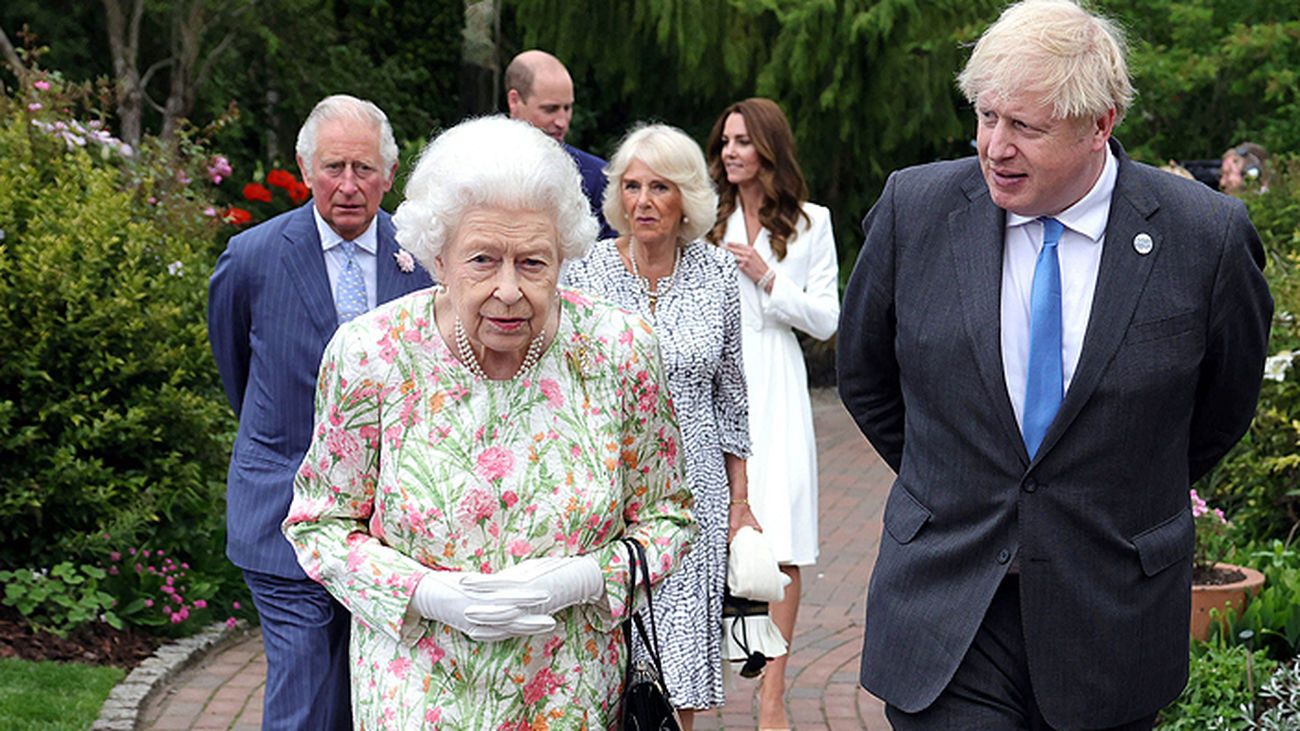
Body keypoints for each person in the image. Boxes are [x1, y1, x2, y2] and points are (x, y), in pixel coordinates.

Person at [836, 1, 1273, 728]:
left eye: (1026, 127)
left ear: (1101, 123)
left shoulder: (1205, 238)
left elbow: (1222, 407)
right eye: (986, 116)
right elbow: (866, 376)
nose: (995, 146)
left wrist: (1113, 486)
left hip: (1111, 615)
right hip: (949, 607)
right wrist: (954, 474)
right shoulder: (914, 210)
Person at [281, 116, 696, 728]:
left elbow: (668, 516)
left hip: (570, 695)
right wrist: (425, 593)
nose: (509, 290)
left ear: (564, 258)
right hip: (418, 694)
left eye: (533, 262)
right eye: (482, 259)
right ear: (438, 257)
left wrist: (584, 578)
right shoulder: (372, 354)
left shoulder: (620, 350)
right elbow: (319, 525)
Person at [207, 94, 434, 730]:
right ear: (307, 170)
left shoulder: (424, 260)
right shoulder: (252, 257)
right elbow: (238, 371)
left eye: (365, 169)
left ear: (390, 176)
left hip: (392, 523)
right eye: (334, 167)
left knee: (370, 698)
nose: (349, 185)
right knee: (305, 690)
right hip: (281, 508)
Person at [565, 123, 757, 729]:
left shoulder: (720, 275)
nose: (642, 201)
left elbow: (733, 398)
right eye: (631, 186)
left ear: (688, 199)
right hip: (607, 488)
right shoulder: (585, 271)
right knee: (604, 658)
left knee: (675, 671)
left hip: (695, 491)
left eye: (659, 188)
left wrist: (742, 504)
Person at [704, 97, 840, 729]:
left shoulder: (811, 224)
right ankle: (704, 688)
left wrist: (766, 277)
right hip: (715, 383)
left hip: (779, 381)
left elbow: (826, 320)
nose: (731, 152)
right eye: (725, 141)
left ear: (769, 148)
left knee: (778, 541)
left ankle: (771, 697)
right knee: (713, 539)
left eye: (743, 141)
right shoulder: (704, 218)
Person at [506, 49, 616, 239]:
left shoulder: (596, 177)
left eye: (567, 108)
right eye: (550, 109)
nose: (562, 122)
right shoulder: (468, 166)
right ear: (514, 101)